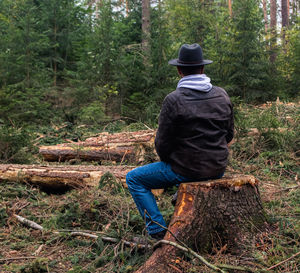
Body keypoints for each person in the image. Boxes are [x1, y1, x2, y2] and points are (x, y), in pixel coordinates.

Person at [126, 43, 234, 240]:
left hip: (186, 169)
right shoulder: (222, 95)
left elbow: (162, 143)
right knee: (180, 170)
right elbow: (229, 135)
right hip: (218, 167)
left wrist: (173, 163)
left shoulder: (173, 100)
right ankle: (179, 195)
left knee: (134, 179)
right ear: (202, 68)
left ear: (179, 70)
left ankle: (157, 230)